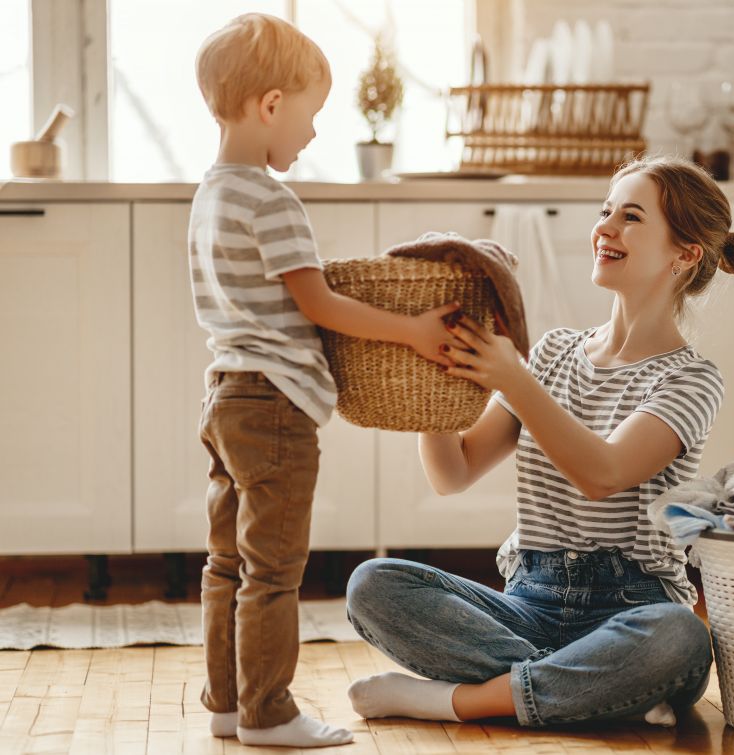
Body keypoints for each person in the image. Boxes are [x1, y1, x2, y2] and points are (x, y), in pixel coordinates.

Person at [344, 156, 734, 728]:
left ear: (685, 253)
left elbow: (604, 474)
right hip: (528, 602)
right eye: (605, 211)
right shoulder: (552, 353)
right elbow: (454, 472)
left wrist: (512, 377)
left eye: (632, 217)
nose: (606, 227)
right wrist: (435, 380)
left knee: (679, 637)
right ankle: (593, 687)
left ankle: (457, 701)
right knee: (375, 583)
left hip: (633, 605)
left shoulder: (689, 380)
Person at [189, 14, 458, 748]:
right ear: (271, 105)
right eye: (309, 116)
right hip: (276, 403)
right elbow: (320, 304)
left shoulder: (211, 194)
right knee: (274, 568)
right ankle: (269, 711)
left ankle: (225, 699)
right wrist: (412, 329)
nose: (310, 136)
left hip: (225, 395)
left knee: (226, 561)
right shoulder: (272, 200)